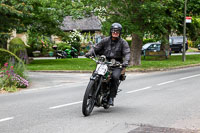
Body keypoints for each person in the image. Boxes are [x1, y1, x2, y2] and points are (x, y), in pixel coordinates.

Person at [85, 23, 131, 106]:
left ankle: (111, 97)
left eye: (117, 31)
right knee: (95, 74)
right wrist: (89, 53)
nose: (115, 33)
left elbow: (127, 53)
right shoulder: (105, 40)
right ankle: (92, 93)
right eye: (114, 31)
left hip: (116, 64)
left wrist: (125, 62)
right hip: (104, 61)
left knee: (115, 77)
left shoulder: (123, 42)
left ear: (120, 33)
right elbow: (96, 48)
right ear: (111, 31)